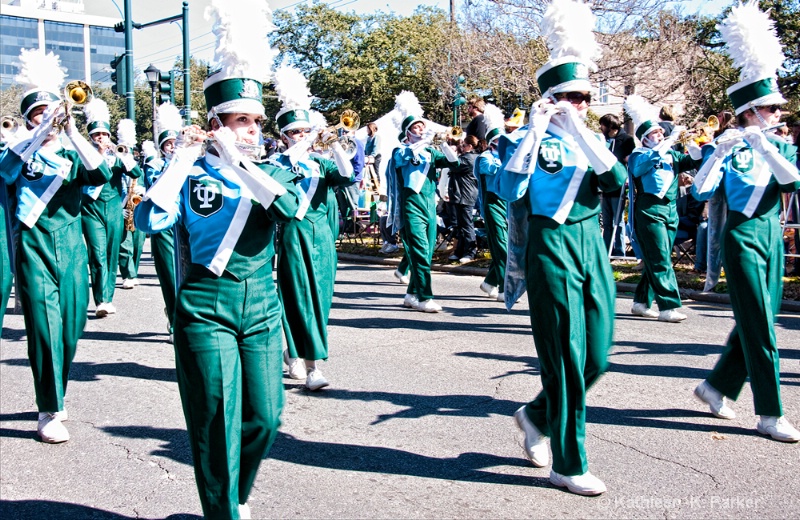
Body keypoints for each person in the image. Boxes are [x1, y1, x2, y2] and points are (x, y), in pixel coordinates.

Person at [134, 2, 300, 516]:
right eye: (240, 120)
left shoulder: (272, 172)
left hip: (263, 306)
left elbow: (290, 209)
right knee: (216, 418)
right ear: (216, 122)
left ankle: (236, 494)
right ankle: (222, 510)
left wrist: (238, 162)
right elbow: (147, 222)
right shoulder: (190, 171)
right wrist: (185, 157)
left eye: (254, 121)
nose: (251, 129)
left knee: (265, 418)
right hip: (206, 303)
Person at [496, 0, 626, 496]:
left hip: (590, 247)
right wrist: (533, 130)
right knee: (567, 358)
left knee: (597, 356)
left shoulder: (591, 141)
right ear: (550, 97)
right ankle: (568, 463)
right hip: (551, 248)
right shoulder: (524, 141)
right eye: (570, 96)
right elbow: (510, 189)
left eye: (585, 97)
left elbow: (613, 181)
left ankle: (535, 415)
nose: (580, 105)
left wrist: (581, 131)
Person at [692, 1, 800, 443]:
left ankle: (716, 386)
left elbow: (791, 181)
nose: (779, 116)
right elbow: (700, 191)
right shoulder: (731, 147)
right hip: (741, 236)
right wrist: (719, 150)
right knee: (761, 327)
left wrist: (765, 144)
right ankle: (770, 413)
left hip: (772, 234)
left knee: (760, 318)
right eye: (771, 110)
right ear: (751, 111)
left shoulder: (782, 147)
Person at [0, 48, 112, 443]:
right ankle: (48, 408)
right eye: (39, 114)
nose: (47, 119)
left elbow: (101, 174)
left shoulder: (71, 153)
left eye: (51, 112)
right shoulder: (16, 153)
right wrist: (36, 133)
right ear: (29, 118)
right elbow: (5, 171)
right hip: (33, 246)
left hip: (70, 245)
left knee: (71, 326)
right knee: (45, 330)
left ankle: (56, 391)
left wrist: (71, 131)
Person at [270, 65, 356, 390]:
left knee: (320, 299)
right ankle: (312, 367)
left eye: (305, 131)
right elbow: (280, 178)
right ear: (284, 136)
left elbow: (348, 174)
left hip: (323, 238)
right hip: (294, 236)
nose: (302, 136)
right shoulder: (277, 164)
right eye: (295, 132)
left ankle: (295, 349)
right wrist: (301, 147)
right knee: (299, 297)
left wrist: (334, 144)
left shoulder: (319, 163)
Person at [624, 94, 701, 322]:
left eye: (660, 132)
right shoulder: (639, 155)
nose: (659, 136)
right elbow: (640, 170)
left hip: (671, 209)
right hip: (649, 210)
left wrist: (691, 141)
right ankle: (668, 306)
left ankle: (640, 302)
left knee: (659, 257)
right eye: (653, 134)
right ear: (644, 139)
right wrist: (667, 142)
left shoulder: (671, 153)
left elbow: (694, 160)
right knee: (659, 258)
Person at [392, 91, 460, 312]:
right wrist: (426, 142)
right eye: (417, 127)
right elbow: (406, 158)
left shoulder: (430, 151)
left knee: (427, 252)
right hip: (411, 206)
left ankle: (411, 294)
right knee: (420, 250)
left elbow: (454, 162)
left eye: (422, 127)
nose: (421, 130)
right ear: (407, 132)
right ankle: (425, 297)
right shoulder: (400, 150)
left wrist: (446, 143)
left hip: (429, 206)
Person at [81, 98, 143, 317]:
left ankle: (108, 298)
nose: (101, 138)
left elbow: (135, 174)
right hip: (91, 209)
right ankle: (100, 300)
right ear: (90, 137)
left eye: (104, 135)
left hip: (114, 211)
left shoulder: (116, 158)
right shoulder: (84, 156)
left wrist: (123, 155)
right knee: (97, 254)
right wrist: (97, 154)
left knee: (111, 253)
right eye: (97, 135)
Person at [142, 102, 183, 342]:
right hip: (164, 228)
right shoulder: (154, 165)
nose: (171, 147)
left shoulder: (189, 163)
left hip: (184, 226)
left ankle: (183, 317)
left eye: (174, 143)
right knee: (170, 275)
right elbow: (157, 188)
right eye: (167, 144)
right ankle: (175, 319)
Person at [474, 103, 508, 301]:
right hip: (492, 205)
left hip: (506, 205)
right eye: (499, 140)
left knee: (503, 248)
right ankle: (504, 288)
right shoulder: (485, 158)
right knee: (501, 247)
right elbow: (494, 170)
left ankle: (489, 282)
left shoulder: (505, 157)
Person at [598, 113, 635, 257]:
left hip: (618, 186)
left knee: (618, 221)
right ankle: (606, 249)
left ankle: (620, 251)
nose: (601, 128)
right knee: (606, 221)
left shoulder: (626, 140)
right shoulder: (604, 141)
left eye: (603, 125)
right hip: (604, 186)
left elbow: (629, 160)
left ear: (610, 126)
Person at [116, 119, 146, 290]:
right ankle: (128, 274)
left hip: (137, 207)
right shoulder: (115, 166)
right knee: (124, 243)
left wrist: (140, 192)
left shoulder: (138, 169)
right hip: (121, 206)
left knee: (137, 243)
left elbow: (144, 186)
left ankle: (133, 270)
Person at [447, 135, 479, 263]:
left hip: (465, 195)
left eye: (464, 145)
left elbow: (453, 165)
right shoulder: (468, 157)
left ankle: (470, 252)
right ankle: (459, 251)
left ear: (470, 146)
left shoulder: (469, 158)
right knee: (460, 225)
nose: (462, 147)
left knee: (466, 225)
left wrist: (450, 152)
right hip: (462, 194)